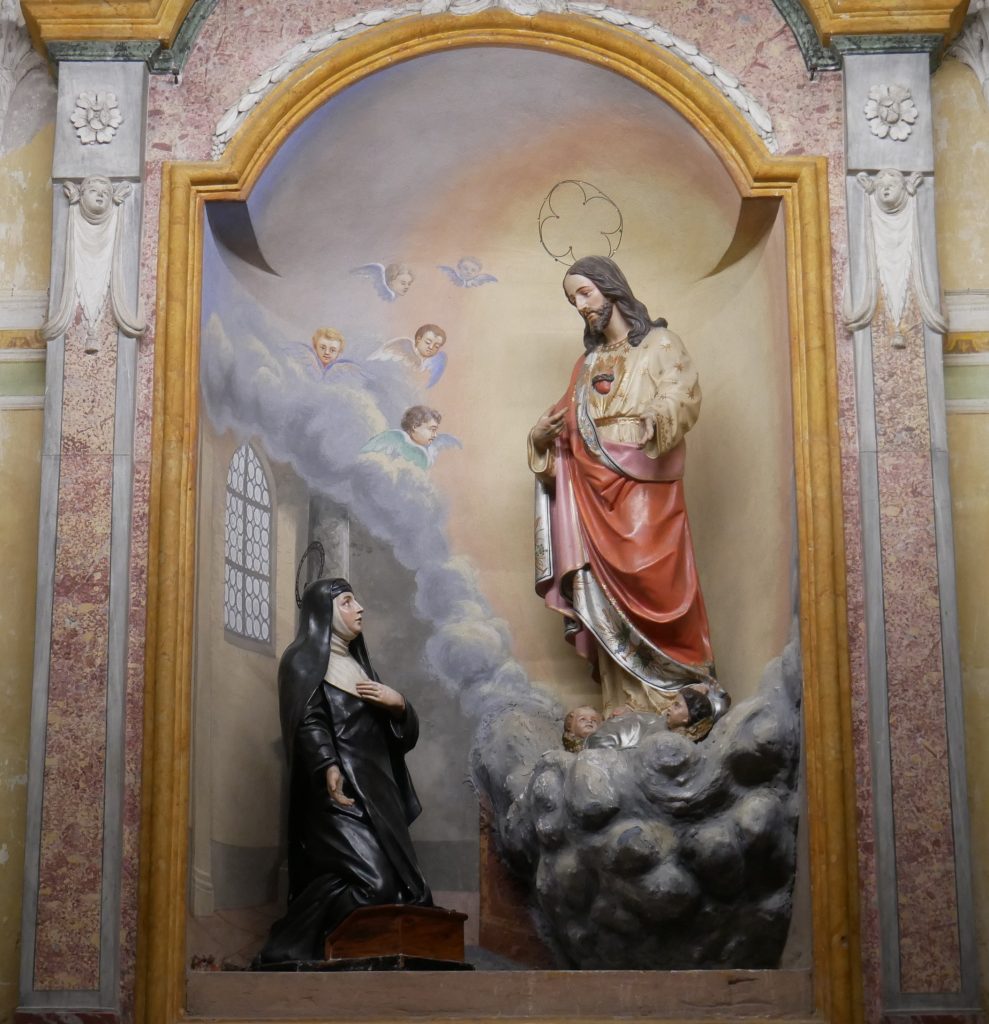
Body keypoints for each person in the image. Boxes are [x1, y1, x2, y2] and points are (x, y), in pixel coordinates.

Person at [528, 256, 728, 721]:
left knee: (655, 582)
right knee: (602, 591)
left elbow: (682, 393)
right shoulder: (587, 364)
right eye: (572, 299)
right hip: (592, 496)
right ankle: (623, 706)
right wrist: (539, 438)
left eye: (584, 292)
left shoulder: (659, 344)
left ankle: (678, 696)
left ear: (610, 287)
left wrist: (656, 417)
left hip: (645, 484)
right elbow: (563, 428)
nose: (581, 306)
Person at [254, 578, 432, 965]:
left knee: (408, 890)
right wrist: (327, 764)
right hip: (338, 796)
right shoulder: (301, 660)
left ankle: (366, 950)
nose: (359, 608)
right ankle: (302, 942)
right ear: (326, 613)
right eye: (348, 602)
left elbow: (396, 741)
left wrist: (400, 706)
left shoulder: (359, 666)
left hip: (377, 791)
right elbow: (308, 719)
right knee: (376, 885)